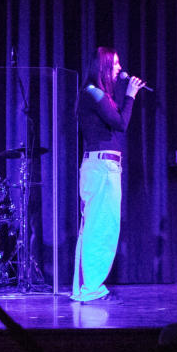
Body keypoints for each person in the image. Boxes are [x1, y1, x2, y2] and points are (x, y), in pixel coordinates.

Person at [70, 46, 144, 303]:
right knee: (100, 228)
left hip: (102, 167)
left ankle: (86, 287)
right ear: (103, 66)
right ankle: (89, 288)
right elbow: (121, 123)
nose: (119, 69)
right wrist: (131, 95)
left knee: (99, 227)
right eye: (115, 64)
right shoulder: (93, 93)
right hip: (101, 168)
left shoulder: (97, 94)